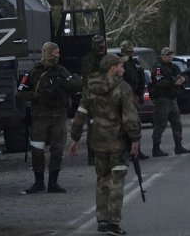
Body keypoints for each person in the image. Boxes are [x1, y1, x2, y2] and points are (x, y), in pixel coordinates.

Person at [69, 54, 140, 236]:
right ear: (112, 68)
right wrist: (135, 139)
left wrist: (75, 138)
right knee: (117, 182)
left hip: (97, 142)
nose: (123, 69)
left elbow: (80, 114)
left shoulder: (90, 88)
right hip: (117, 143)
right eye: (120, 66)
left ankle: (102, 220)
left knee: (102, 180)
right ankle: (114, 224)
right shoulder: (123, 87)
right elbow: (130, 117)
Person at [17, 42, 81, 194]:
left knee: (57, 149)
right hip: (41, 115)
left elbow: (75, 86)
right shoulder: (34, 72)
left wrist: (74, 83)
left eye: (58, 53)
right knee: (37, 149)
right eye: (55, 53)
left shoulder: (62, 71)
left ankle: (53, 183)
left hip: (59, 115)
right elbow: (20, 92)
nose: (58, 56)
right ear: (48, 53)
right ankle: (39, 182)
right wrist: (37, 96)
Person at [150, 47, 190, 157]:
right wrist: (173, 82)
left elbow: (182, 76)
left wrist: (183, 79)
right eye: (167, 55)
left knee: (177, 123)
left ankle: (178, 146)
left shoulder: (174, 67)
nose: (169, 57)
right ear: (162, 56)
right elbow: (158, 82)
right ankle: (156, 148)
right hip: (162, 99)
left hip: (173, 99)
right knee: (160, 124)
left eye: (170, 55)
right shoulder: (159, 68)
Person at [118, 40, 149, 160]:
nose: (130, 53)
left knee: (136, 124)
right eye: (128, 51)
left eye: (131, 51)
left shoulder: (134, 62)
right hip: (126, 96)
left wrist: (140, 94)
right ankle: (128, 150)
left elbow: (140, 77)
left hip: (134, 95)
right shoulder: (120, 63)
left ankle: (136, 150)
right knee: (128, 125)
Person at [81, 34, 107, 166]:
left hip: (105, 96)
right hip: (93, 97)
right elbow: (88, 80)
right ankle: (92, 155)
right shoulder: (89, 60)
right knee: (93, 127)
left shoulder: (104, 58)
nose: (101, 47)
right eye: (99, 45)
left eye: (103, 44)